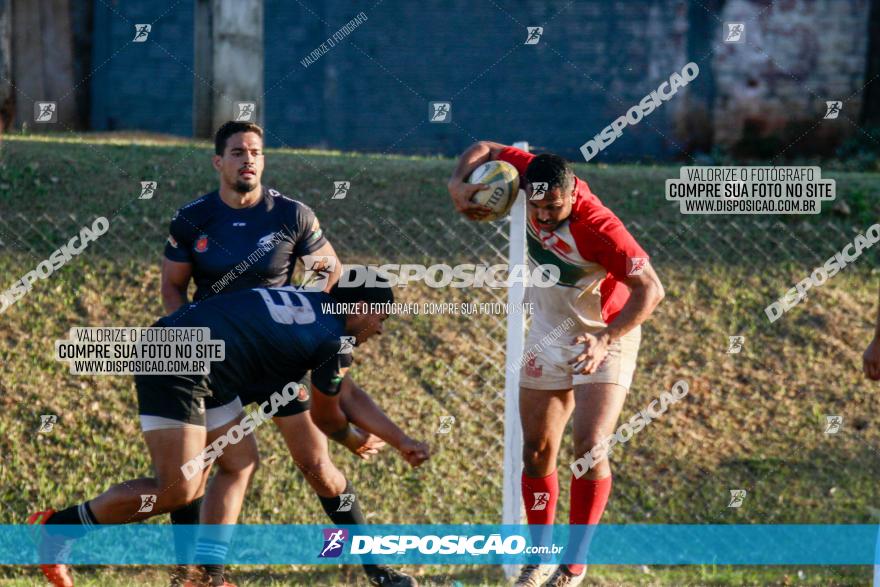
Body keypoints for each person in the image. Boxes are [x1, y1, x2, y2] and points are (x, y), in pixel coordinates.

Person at [29, 270, 431, 587]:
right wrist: (353, 438)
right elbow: (327, 418)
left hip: (202, 356)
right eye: (382, 317)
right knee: (178, 489)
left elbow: (347, 393)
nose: (379, 329)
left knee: (239, 461)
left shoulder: (309, 302)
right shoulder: (334, 338)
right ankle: (57, 528)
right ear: (360, 306)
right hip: (182, 358)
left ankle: (206, 578)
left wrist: (401, 441)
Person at [159, 121, 415, 586]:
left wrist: (300, 316)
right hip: (218, 361)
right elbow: (173, 290)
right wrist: (188, 344)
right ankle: (196, 574)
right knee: (202, 464)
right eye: (237, 152)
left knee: (316, 463)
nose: (248, 160)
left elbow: (329, 273)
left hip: (277, 360)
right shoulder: (192, 218)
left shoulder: (291, 215)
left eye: (255, 151)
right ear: (219, 162)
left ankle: (377, 569)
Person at [448, 141, 664, 586]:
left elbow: (652, 289)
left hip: (603, 333)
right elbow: (486, 148)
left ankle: (572, 566)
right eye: (537, 205)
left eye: (554, 206)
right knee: (536, 452)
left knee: (588, 446)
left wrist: (607, 338)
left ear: (571, 194)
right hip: (548, 330)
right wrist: (457, 182)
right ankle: (538, 557)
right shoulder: (531, 173)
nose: (544, 215)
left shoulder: (600, 227)